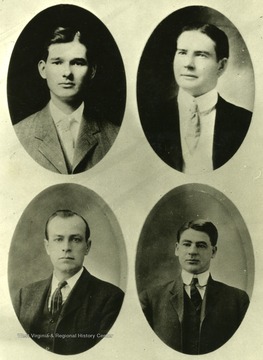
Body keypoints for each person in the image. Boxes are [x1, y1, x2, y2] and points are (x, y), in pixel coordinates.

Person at [144, 22, 252, 173]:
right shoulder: (149, 121)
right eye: (182, 52)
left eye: (201, 55)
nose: (188, 64)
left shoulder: (246, 123)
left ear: (221, 66)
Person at [14, 209, 124, 355]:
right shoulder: (25, 295)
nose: (66, 247)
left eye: (76, 239)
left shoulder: (111, 298)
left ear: (87, 247)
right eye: (59, 239)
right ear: (47, 247)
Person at [14, 26, 119, 174]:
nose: (67, 73)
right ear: (43, 69)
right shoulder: (19, 134)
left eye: (77, 63)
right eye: (57, 62)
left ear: (92, 71)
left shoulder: (114, 135)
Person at [139, 219, 249, 354]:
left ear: (213, 252)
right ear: (177, 249)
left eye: (201, 245)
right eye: (187, 244)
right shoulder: (151, 298)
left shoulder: (237, 300)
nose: (192, 251)